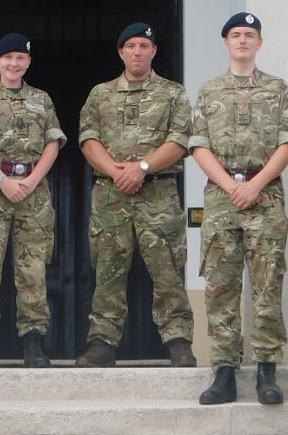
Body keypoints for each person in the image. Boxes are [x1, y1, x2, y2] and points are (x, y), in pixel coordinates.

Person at [74, 22, 196, 368]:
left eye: (144, 45)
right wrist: (117, 172)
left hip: (158, 193)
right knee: (108, 269)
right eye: (131, 46)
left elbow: (179, 141)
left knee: (167, 268)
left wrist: (141, 168)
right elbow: (88, 138)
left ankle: (178, 342)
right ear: (121, 52)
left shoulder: (173, 94)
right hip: (111, 194)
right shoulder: (100, 94)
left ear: (154, 51)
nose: (138, 52)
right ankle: (102, 343)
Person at [189, 12, 288, 404]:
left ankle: (267, 371)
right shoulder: (209, 90)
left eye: (249, 35)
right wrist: (230, 185)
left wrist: (254, 184)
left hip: (264, 194)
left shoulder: (278, 89)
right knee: (221, 286)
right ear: (225, 42)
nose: (242, 40)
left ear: (259, 43)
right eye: (235, 34)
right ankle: (224, 372)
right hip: (222, 198)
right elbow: (198, 145)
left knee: (268, 285)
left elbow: (287, 143)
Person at [0, 33, 64, 368]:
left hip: (33, 191)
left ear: (28, 62)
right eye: (8, 58)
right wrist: (2, 180)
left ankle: (33, 344)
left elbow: (53, 142)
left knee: (32, 269)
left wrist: (32, 180)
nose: (14, 64)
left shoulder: (42, 99)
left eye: (20, 58)